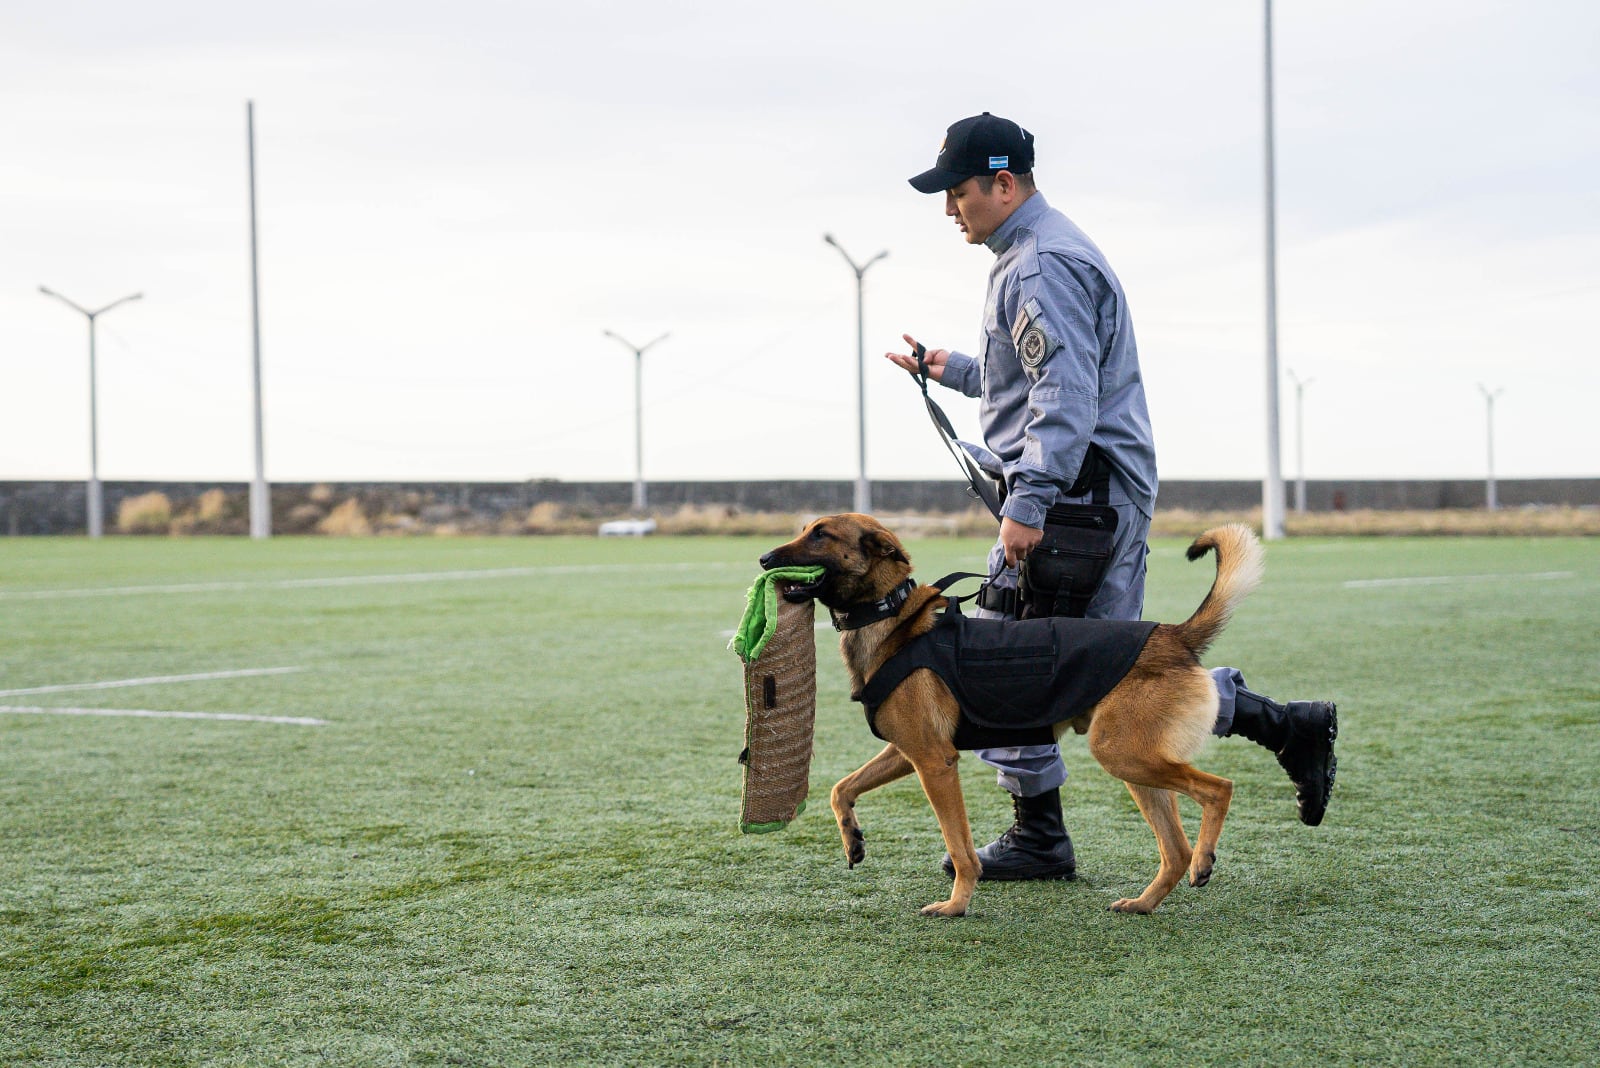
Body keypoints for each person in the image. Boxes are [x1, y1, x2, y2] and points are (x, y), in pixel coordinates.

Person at [886, 112, 1337, 882]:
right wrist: (953, 367)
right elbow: (1028, 379)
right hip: (1082, 491)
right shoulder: (1030, 251)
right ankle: (1283, 727)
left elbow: (1064, 397)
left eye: (957, 192)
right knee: (1100, 668)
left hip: (1075, 500)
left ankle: (1041, 835)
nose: (948, 209)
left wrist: (1027, 505)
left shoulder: (1039, 265)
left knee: (1076, 668)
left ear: (1003, 183)